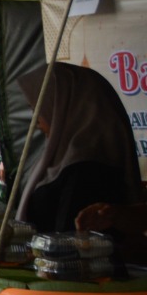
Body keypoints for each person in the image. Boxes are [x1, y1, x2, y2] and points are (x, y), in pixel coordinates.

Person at [16, 62, 145, 235]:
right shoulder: (62, 159)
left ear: (65, 107)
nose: (36, 120)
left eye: (40, 108)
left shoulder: (87, 167)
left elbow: (68, 239)